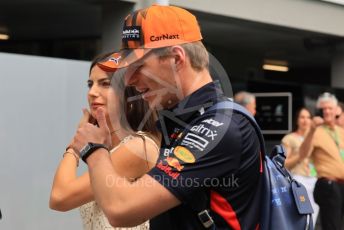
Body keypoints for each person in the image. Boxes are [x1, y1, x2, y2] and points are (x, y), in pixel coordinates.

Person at [70, 4, 263, 229]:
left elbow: (122, 210)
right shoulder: (183, 120)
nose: (129, 81)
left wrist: (93, 149)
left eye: (139, 66)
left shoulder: (219, 126)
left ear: (176, 59)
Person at [49, 52, 160, 230]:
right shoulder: (107, 149)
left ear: (131, 95)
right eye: (90, 84)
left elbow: (60, 198)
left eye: (105, 84)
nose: (92, 92)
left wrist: (75, 147)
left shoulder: (139, 148)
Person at [299, 92, 344, 230]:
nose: (327, 111)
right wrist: (312, 129)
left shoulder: (340, 130)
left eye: (330, 108)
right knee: (332, 225)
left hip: (341, 184)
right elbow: (303, 154)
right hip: (329, 185)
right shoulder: (315, 131)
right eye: (323, 109)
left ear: (336, 109)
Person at [281, 107, 319, 226]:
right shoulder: (289, 138)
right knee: (301, 218)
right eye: (302, 117)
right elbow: (284, 163)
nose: (305, 120)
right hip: (298, 179)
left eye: (308, 117)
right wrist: (300, 156)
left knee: (313, 217)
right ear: (297, 120)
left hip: (316, 179)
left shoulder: (317, 137)